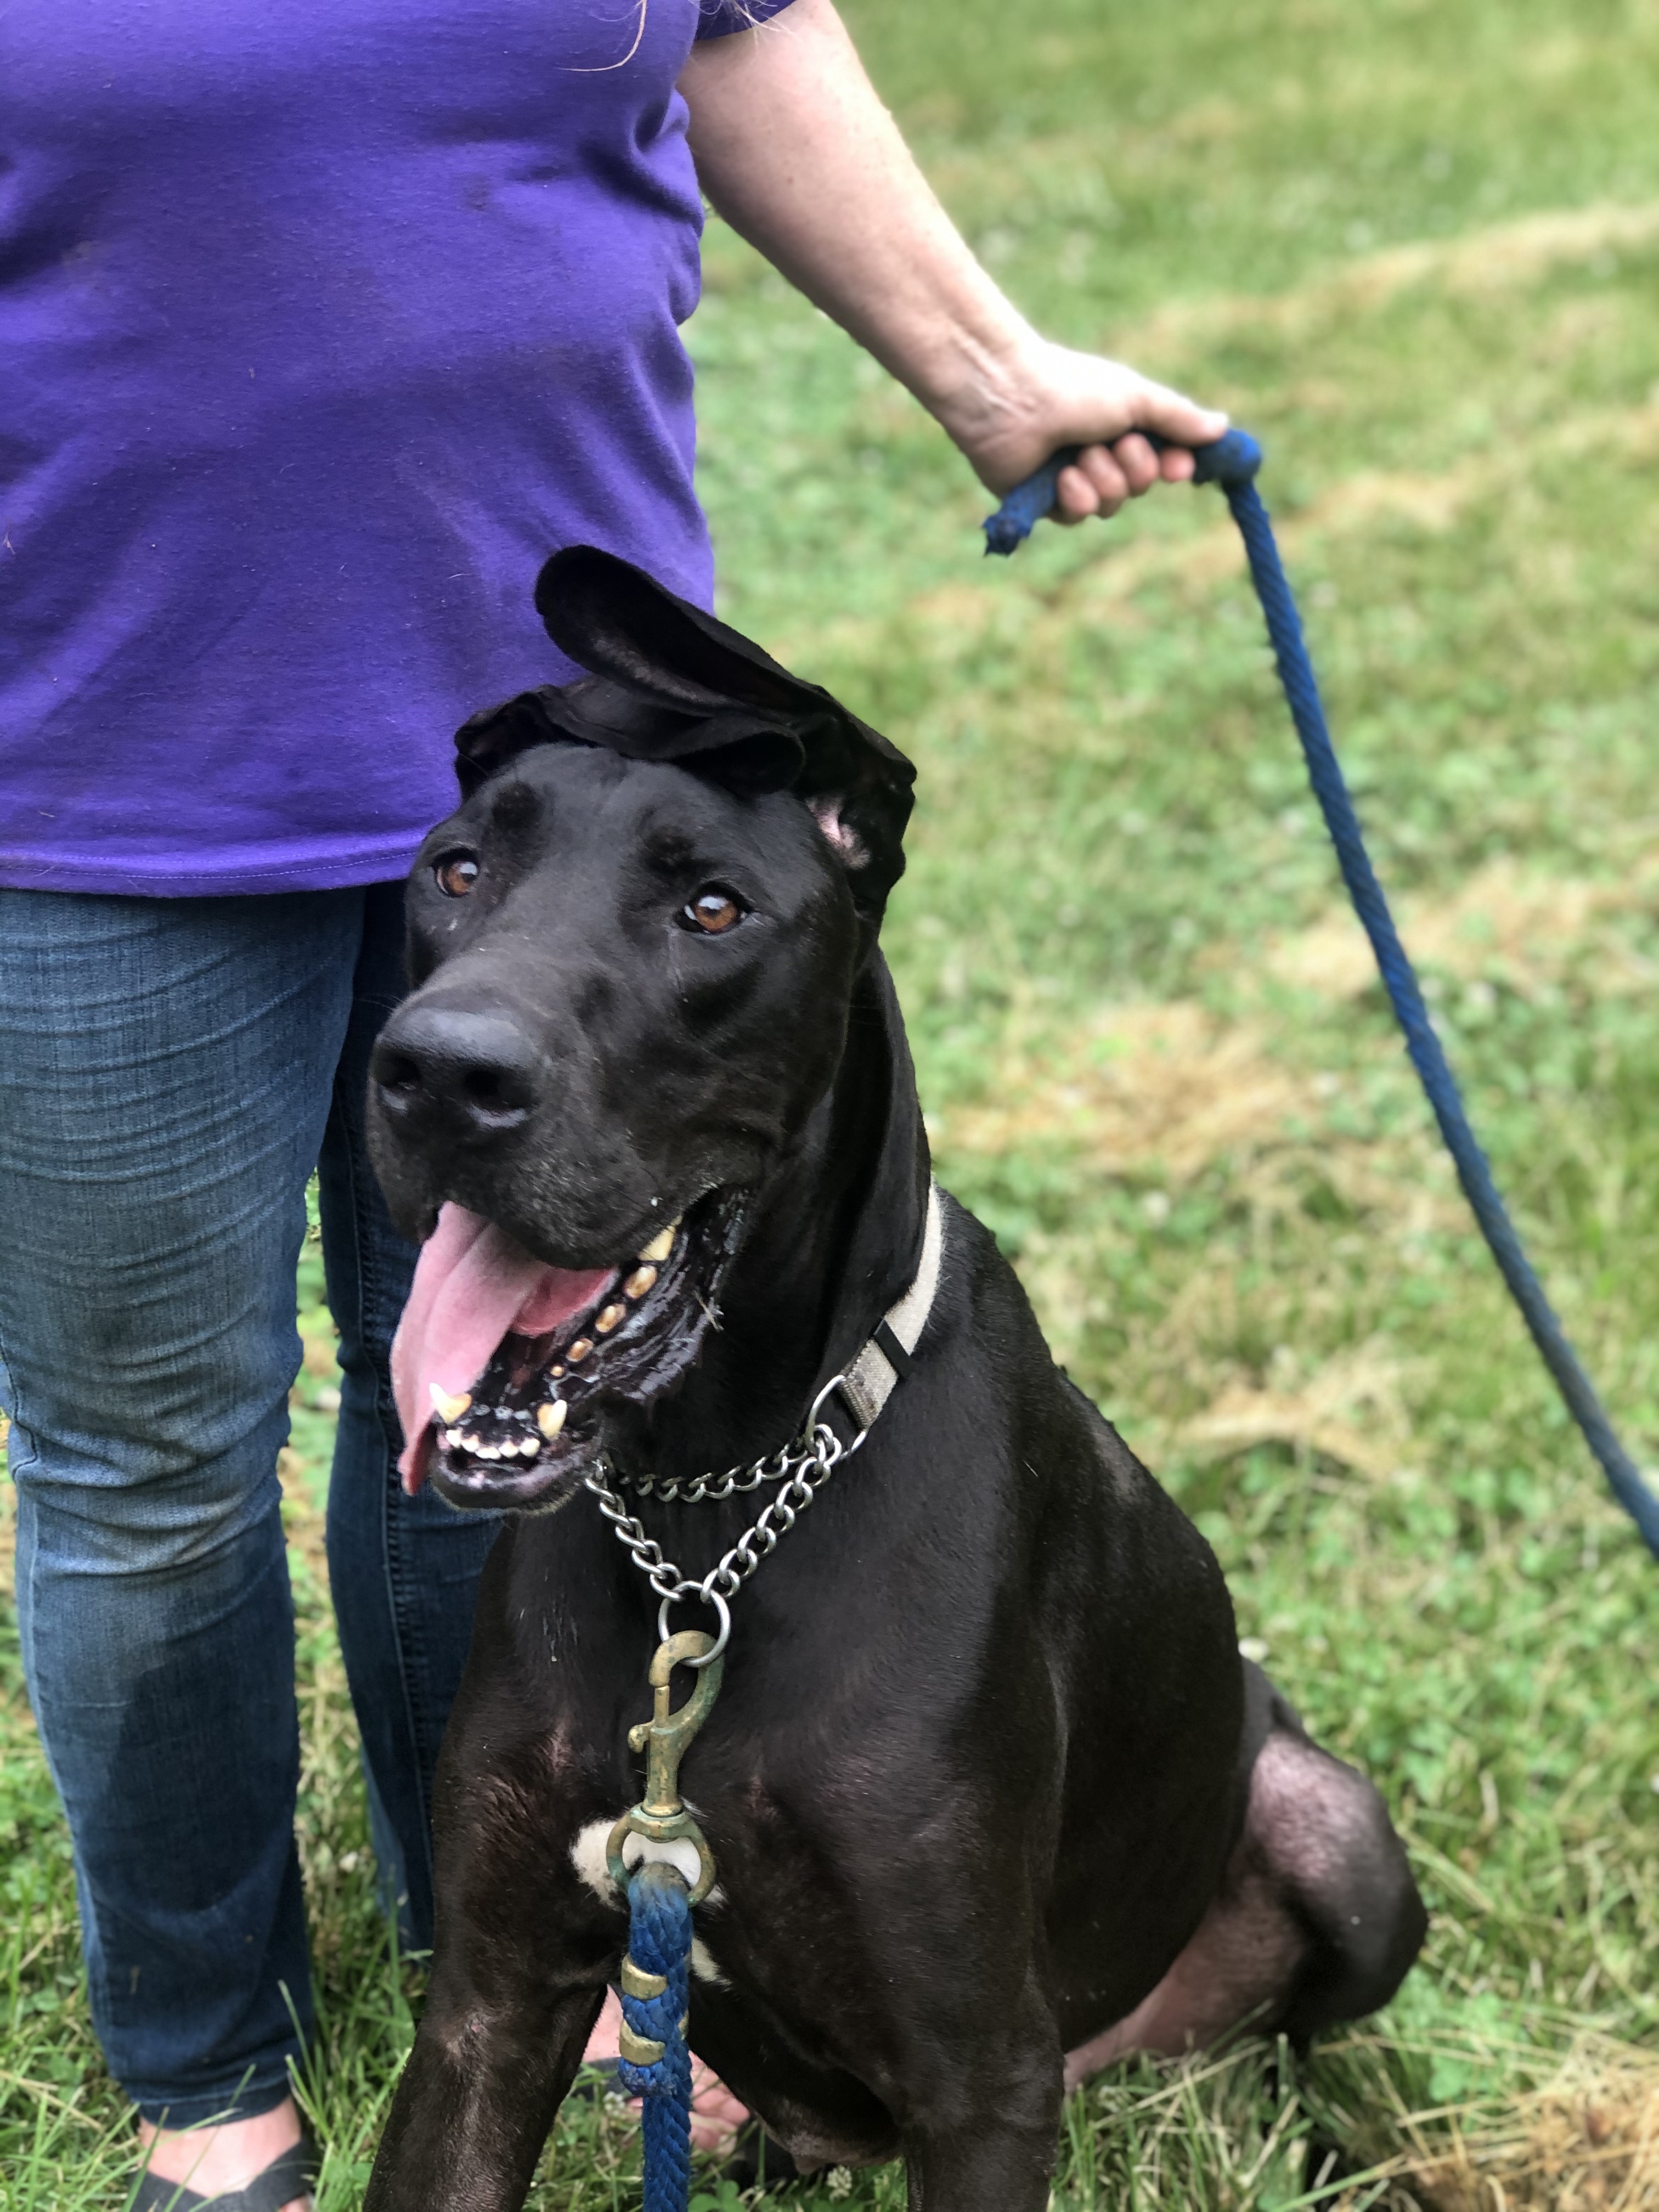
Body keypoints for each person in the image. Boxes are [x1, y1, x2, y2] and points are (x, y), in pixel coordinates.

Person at [0, 1, 1224, 2204]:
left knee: (515, 1394)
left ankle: (554, 1910)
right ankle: (212, 2067)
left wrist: (984, 368)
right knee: (154, 1461)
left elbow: (742, 26)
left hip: (580, 749)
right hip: (90, 740)